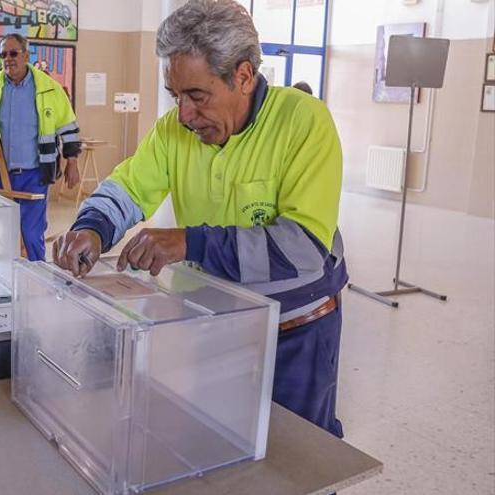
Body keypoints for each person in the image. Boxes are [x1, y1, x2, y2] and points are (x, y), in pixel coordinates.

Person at [53, 0, 347, 438]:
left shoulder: (304, 122)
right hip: (219, 317)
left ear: (244, 76)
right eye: (176, 96)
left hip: (295, 328)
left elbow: (302, 250)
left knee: (298, 454)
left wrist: (191, 243)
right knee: (218, 438)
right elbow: (129, 187)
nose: (184, 115)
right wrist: (92, 228)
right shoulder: (175, 130)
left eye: (197, 96)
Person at [0, 33, 81, 261]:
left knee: (32, 233)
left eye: (13, 53)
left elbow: (68, 127)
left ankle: (36, 280)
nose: (8, 59)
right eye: (3, 54)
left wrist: (72, 161)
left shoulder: (49, 88)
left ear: (26, 55)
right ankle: (2, 281)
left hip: (35, 173)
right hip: (0, 173)